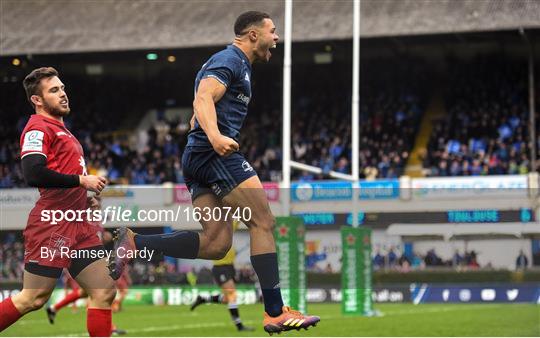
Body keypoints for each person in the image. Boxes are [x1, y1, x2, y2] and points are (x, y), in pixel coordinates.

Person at [109, 11, 320, 334]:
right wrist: (216, 136)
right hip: (212, 154)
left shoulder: (236, 65)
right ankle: (275, 311)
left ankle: (135, 242)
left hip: (197, 158)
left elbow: (201, 109)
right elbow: (203, 97)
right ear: (252, 35)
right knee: (262, 221)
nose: (276, 39)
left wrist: (203, 131)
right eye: (272, 31)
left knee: (216, 244)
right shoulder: (230, 59)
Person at [0, 67, 115, 337]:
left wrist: (84, 200)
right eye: (54, 90)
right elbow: (33, 172)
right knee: (33, 298)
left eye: (62, 88)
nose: (63, 94)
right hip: (53, 224)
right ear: (37, 100)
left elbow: (61, 173)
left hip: (79, 225)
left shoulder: (64, 131)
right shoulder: (37, 128)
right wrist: (81, 182)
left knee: (104, 291)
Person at [45, 196, 127, 335]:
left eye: (99, 203)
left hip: (91, 258)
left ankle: (54, 308)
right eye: (96, 202)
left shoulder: (96, 221)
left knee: (92, 292)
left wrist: (104, 236)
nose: (98, 205)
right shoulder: (84, 218)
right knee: (101, 291)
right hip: (85, 259)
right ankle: (109, 327)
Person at [190, 220, 254, 332]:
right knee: (231, 294)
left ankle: (203, 299)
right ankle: (239, 325)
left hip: (230, 267)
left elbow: (238, 216)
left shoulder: (228, 228)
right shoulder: (216, 233)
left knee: (226, 299)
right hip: (220, 267)